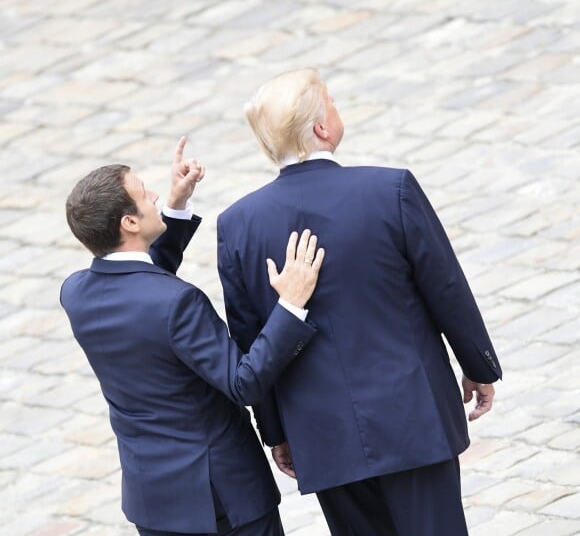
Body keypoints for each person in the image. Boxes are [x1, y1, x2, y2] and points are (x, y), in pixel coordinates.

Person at [216, 68, 503, 536]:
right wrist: (478, 366)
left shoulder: (238, 226)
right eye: (330, 102)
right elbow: (445, 288)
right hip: (414, 417)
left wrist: (278, 431)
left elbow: (248, 334)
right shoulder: (390, 190)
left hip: (321, 434)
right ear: (321, 129)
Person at [60, 137, 325, 536]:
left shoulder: (76, 293)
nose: (153, 195)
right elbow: (244, 381)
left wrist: (173, 207)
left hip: (155, 504)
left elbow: (139, 283)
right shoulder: (177, 303)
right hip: (224, 500)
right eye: (144, 193)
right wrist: (289, 305)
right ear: (128, 223)